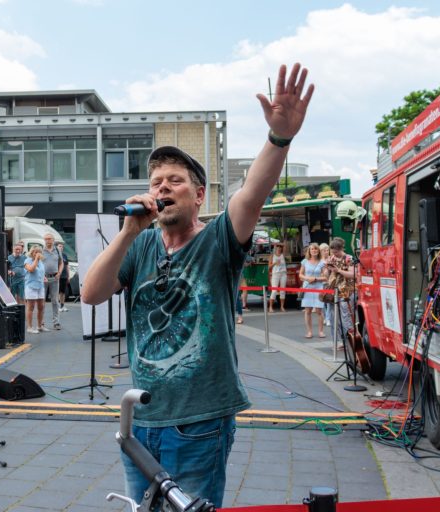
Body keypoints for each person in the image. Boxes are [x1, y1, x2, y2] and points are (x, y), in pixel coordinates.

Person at [81, 63, 313, 507]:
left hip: (199, 421)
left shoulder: (218, 239)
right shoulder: (139, 243)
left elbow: (251, 194)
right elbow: (90, 294)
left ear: (199, 195)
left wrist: (279, 137)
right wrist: (127, 232)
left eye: (175, 180)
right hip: (141, 417)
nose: (163, 187)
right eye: (156, 182)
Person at [324, 237, 356, 339]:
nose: (335, 254)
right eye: (333, 252)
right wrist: (327, 268)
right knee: (334, 318)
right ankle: (338, 341)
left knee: (346, 316)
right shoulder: (331, 258)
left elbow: (353, 274)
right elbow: (326, 276)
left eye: (336, 252)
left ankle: (349, 340)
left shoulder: (349, 258)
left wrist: (338, 270)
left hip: (347, 291)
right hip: (334, 290)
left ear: (341, 249)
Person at [299, 243, 326, 338]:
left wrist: (315, 279)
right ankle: (309, 332)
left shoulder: (322, 262)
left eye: (316, 249)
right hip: (307, 287)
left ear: (318, 251)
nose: (314, 251)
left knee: (319, 311)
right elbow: (300, 275)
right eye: (312, 249)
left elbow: (326, 277)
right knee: (308, 310)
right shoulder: (305, 261)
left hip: (318, 287)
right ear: (309, 251)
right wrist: (307, 278)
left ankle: (321, 331)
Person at [41, 234, 63, 330]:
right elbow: (37, 263)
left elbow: (61, 263)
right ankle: (41, 322)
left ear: (53, 240)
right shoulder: (41, 250)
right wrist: (40, 275)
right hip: (43, 278)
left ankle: (56, 322)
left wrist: (59, 273)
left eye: (49, 239)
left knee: (55, 301)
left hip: (55, 278)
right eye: (46, 239)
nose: (47, 240)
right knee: (42, 301)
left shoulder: (57, 250)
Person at [23, 246, 45, 334]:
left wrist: (44, 277)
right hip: (31, 286)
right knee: (31, 307)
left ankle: (40, 326)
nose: (38, 254)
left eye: (39, 252)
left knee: (41, 306)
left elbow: (41, 272)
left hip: (40, 286)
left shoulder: (41, 262)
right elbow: (31, 269)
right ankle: (29, 327)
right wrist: (36, 259)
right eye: (36, 252)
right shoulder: (27, 261)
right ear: (32, 253)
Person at [268, 243, 287, 313]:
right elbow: (269, 267)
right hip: (275, 274)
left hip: (283, 273)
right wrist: (275, 263)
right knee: (274, 290)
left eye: (280, 247)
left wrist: (278, 243)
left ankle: (282, 307)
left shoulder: (282, 255)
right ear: (275, 248)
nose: (279, 248)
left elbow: (285, 245)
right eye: (277, 247)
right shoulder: (272, 256)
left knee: (282, 290)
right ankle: (270, 307)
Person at [319, 243, 333, 328]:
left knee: (329, 301)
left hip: (329, 282)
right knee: (322, 301)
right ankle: (324, 317)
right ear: (321, 251)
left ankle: (328, 318)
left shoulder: (331, 259)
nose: (326, 252)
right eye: (324, 250)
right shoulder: (319, 261)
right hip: (321, 282)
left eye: (327, 250)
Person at [57, 242, 69, 312]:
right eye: (59, 246)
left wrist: (68, 275)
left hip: (64, 276)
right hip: (58, 276)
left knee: (63, 292)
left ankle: (62, 305)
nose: (61, 247)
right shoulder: (56, 255)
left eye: (62, 246)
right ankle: (58, 306)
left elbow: (67, 266)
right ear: (57, 247)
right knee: (58, 292)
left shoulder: (65, 255)